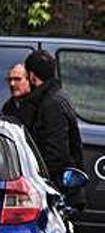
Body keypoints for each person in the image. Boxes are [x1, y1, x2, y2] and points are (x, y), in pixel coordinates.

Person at [23, 50, 86, 208]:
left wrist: (37, 175)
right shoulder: (57, 98)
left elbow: (56, 152)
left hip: (56, 188)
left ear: (32, 76)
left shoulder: (51, 104)